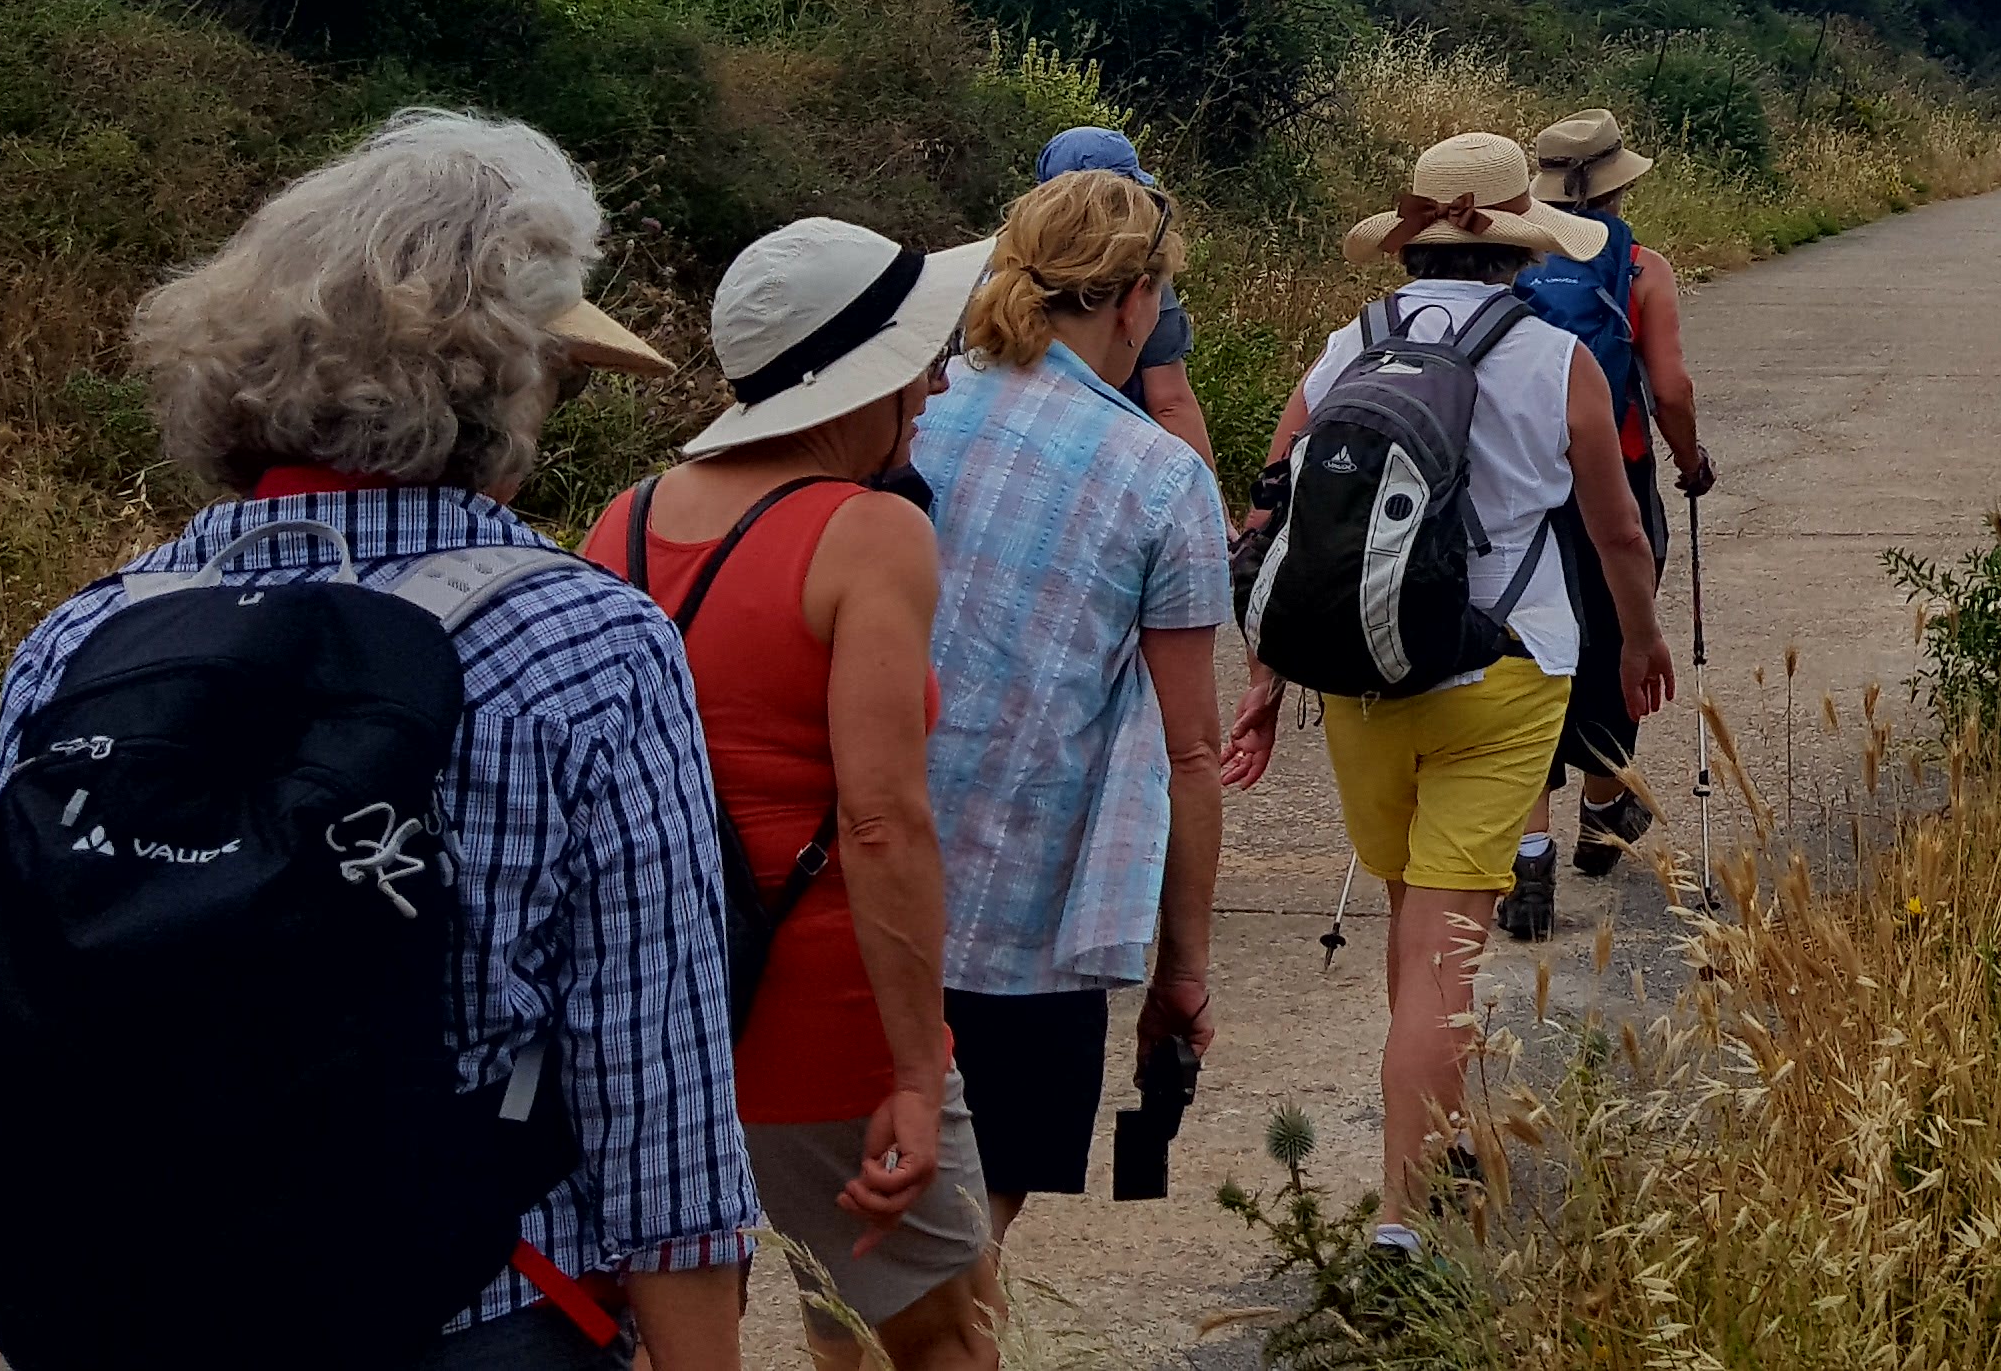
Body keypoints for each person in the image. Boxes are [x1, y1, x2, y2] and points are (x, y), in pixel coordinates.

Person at [0, 111, 755, 1370]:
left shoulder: (85, 636)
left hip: (126, 1311)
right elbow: (657, 1086)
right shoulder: (586, 645)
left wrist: (3, 1318)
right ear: (505, 377)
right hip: (466, 1309)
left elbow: (0, 1039)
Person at [1219, 134, 1671, 1261]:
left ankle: (1447, 1129)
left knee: (1411, 920)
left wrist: (1266, 675)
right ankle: (1400, 1219)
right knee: (1442, 947)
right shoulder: (1553, 356)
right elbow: (1614, 528)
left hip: (1362, 675)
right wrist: (1641, 640)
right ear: (1518, 243)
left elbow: (1276, 522)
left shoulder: (1345, 349)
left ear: (1413, 242)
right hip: (1506, 672)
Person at [583, 221, 994, 1368]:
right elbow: (878, 819)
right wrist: (916, 1072)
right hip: (823, 1003)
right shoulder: (871, 534)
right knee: (942, 1335)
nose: (935, 380)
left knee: (832, 1314)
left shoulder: (622, 520)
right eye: (919, 356)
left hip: (674, 994)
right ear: (857, 381)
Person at [915, 169, 1225, 1237]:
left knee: (853, 1272)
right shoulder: (1161, 477)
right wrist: (1179, 972)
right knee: (958, 1267)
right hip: (1023, 927)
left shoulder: (910, 409)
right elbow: (1192, 752)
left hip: (858, 899)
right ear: (1137, 299)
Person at [1499, 112, 1718, 934]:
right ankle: (1602, 810)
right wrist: (1689, 463)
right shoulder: (1640, 266)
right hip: (1614, 475)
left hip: (1521, 481)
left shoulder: (1512, 263)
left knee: (1526, 652)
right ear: (1619, 180)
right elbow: (1669, 390)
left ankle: (1529, 860)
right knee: (1617, 637)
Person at [1026, 128, 1207, 465]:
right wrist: (1215, 511)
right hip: (1113, 460)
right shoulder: (1143, 275)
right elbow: (1170, 402)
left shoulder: (1001, 263)